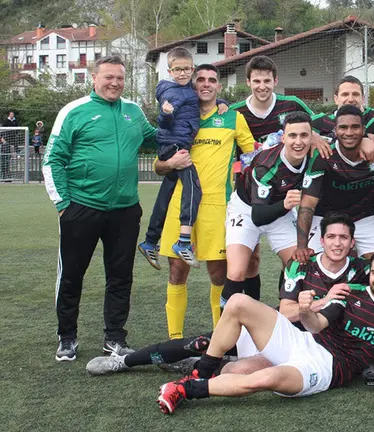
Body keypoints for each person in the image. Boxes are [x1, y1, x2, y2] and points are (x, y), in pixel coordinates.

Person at [85, 213, 371, 375]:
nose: (337, 243)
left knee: (237, 373)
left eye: (343, 237)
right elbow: (285, 311)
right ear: (320, 240)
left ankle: (202, 366)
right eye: (331, 237)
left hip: (307, 350)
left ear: (352, 242)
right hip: (274, 331)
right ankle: (124, 361)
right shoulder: (301, 264)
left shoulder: (361, 270)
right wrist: (322, 301)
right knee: (199, 342)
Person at [155, 248, 374, 414]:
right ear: (369, 275)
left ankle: (187, 390)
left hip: (325, 369)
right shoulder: (349, 293)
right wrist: (306, 311)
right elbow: (317, 325)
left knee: (263, 378)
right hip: (304, 341)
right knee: (238, 303)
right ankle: (199, 374)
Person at [43, 55, 157, 361]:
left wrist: (191, 117)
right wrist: (64, 204)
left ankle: (115, 339)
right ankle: (67, 337)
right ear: (94, 78)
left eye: (120, 78)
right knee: (72, 275)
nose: (115, 83)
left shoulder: (133, 111)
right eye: (108, 77)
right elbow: (52, 159)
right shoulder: (74, 111)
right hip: (81, 208)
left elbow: (158, 140)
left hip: (125, 210)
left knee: (120, 276)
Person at [155, 64, 255, 340]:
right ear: (193, 85)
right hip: (180, 204)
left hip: (217, 207)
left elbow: (254, 158)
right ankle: (175, 339)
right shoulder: (176, 115)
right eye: (201, 79)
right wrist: (169, 162)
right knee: (176, 271)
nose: (206, 84)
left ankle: (219, 338)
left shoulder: (232, 118)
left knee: (219, 275)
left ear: (219, 87)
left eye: (212, 80)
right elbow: (158, 165)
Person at [293, 105, 374, 263]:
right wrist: (302, 246)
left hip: (363, 217)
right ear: (335, 130)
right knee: (310, 264)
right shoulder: (324, 155)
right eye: (343, 127)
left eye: (355, 127)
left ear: (363, 130)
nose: (349, 133)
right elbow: (307, 205)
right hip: (325, 217)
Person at [221, 111, 312, 305]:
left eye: (304, 135)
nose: (298, 142)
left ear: (312, 137)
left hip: (281, 211)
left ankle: (283, 315)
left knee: (297, 264)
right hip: (247, 209)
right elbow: (258, 216)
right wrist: (286, 204)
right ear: (283, 137)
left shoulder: (314, 154)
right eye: (292, 136)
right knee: (238, 271)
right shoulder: (266, 165)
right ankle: (226, 329)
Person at [138, 47, 210, 269]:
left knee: (166, 195)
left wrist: (223, 101)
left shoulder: (187, 89)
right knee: (194, 188)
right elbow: (166, 119)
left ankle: (150, 241)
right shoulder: (173, 93)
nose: (182, 73)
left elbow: (196, 96)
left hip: (173, 143)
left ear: (192, 69)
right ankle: (184, 241)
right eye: (177, 69)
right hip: (175, 146)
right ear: (169, 70)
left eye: (186, 69)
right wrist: (165, 114)